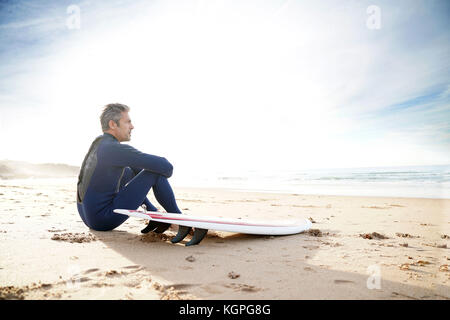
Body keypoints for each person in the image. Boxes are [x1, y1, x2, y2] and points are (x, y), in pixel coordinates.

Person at [76, 103, 205, 245]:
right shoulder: (114, 149)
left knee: (130, 171)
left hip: (87, 215)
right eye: (128, 122)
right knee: (154, 173)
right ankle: (181, 220)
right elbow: (167, 167)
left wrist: (151, 208)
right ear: (113, 124)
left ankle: (154, 214)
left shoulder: (99, 144)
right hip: (102, 220)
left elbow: (137, 170)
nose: (132, 126)